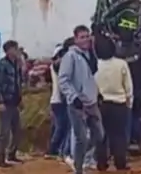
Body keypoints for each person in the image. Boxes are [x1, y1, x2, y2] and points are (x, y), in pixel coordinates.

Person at [58, 25, 104, 174]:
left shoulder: (91, 55)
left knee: (99, 134)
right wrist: (73, 97)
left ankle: (83, 158)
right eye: (82, 37)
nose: (85, 40)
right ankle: (78, 169)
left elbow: (90, 78)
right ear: (76, 39)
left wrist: (98, 93)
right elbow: (63, 80)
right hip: (77, 104)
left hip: (92, 101)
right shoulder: (70, 56)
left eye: (87, 36)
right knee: (81, 138)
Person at [94, 37, 132, 172]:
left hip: (101, 104)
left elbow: (93, 86)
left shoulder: (95, 65)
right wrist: (129, 102)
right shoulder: (121, 64)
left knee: (101, 135)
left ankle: (101, 163)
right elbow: (128, 86)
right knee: (119, 135)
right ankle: (120, 163)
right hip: (119, 103)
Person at [0, 40, 24, 169]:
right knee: (3, 132)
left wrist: (20, 99)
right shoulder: (1, 65)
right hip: (5, 102)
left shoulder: (16, 64)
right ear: (9, 50)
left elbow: (17, 83)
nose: (18, 51)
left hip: (14, 102)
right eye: (16, 49)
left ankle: (11, 154)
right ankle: (0, 160)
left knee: (17, 130)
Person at [46, 40, 73, 159]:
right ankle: (54, 150)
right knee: (62, 127)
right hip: (60, 100)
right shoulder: (59, 66)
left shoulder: (55, 66)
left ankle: (56, 149)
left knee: (60, 127)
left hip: (56, 100)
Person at [127, 52, 141, 148]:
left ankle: (130, 140)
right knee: (136, 116)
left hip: (128, 91)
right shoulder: (139, 56)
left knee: (128, 116)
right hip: (139, 88)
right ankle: (138, 139)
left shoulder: (119, 57)